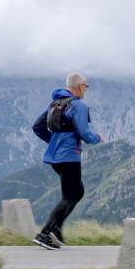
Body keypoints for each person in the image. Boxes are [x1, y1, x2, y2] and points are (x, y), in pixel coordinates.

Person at [31, 72, 102, 250]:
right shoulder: (78, 106)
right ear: (78, 87)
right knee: (72, 195)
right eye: (85, 86)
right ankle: (45, 233)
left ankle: (56, 230)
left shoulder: (56, 104)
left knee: (76, 192)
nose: (86, 89)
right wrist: (97, 138)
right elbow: (84, 133)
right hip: (69, 157)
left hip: (55, 158)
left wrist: (54, 141)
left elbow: (37, 126)